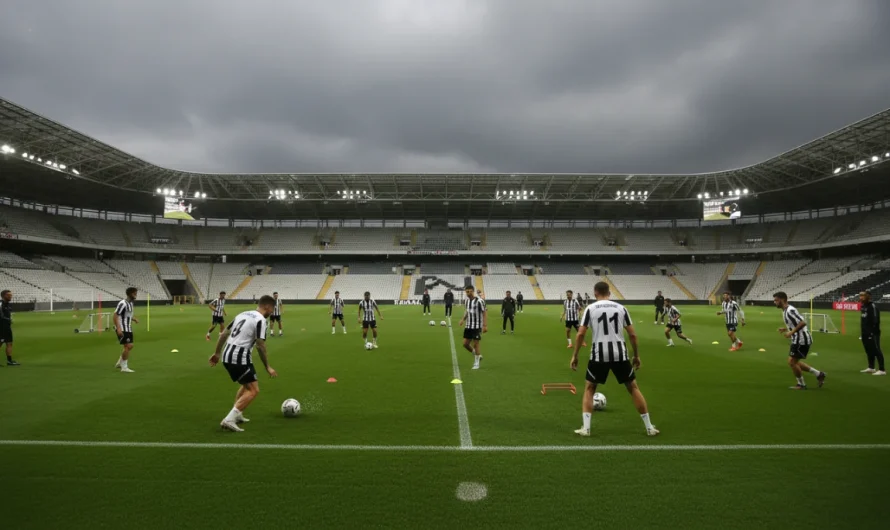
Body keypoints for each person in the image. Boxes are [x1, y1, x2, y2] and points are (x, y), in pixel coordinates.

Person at [570, 281, 659, 437]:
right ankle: (649, 427)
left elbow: (580, 334)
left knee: (590, 388)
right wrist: (636, 355)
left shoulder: (590, 309)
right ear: (609, 293)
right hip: (620, 354)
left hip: (599, 355)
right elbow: (632, 335)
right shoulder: (621, 308)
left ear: (595, 292)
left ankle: (586, 428)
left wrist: (575, 355)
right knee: (633, 388)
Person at [209, 295, 278, 432]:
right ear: (267, 307)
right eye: (272, 309)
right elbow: (260, 345)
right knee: (253, 390)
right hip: (239, 357)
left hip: (227, 355)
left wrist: (217, 353)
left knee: (247, 384)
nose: (272, 312)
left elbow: (224, 334)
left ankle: (238, 414)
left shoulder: (242, 314)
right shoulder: (260, 320)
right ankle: (229, 419)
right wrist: (267, 366)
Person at [774, 291, 826, 390]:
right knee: (794, 361)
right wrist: (785, 329)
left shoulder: (790, 310)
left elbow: (802, 322)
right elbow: (795, 323)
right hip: (798, 339)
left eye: (776, 300)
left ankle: (801, 384)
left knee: (792, 362)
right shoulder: (785, 311)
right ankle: (819, 374)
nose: (774, 302)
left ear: (783, 299)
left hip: (801, 340)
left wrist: (791, 332)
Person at [459, 285, 487, 370]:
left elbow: (484, 312)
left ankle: (476, 363)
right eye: (467, 291)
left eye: (470, 291)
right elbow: (467, 311)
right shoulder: (467, 301)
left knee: (476, 343)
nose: (468, 293)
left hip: (477, 326)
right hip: (468, 326)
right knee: (465, 344)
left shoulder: (480, 301)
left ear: (473, 291)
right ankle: (477, 354)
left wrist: (485, 325)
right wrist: (463, 319)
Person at [113, 287, 139, 373]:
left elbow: (127, 315)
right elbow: (115, 315)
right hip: (122, 328)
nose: (136, 295)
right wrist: (119, 328)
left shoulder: (131, 304)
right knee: (128, 346)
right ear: (130, 293)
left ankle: (120, 363)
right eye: (135, 293)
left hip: (128, 328)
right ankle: (124, 367)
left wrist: (133, 319)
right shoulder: (122, 303)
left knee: (128, 346)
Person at [859, 291, 885, 375]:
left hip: (873, 333)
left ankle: (882, 370)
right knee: (868, 350)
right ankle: (871, 367)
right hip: (864, 333)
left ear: (868, 297)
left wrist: (871, 332)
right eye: (860, 296)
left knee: (876, 350)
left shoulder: (872, 306)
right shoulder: (863, 306)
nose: (861, 297)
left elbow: (875, 320)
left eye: (863, 296)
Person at [0, 289, 19, 366]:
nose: (11, 296)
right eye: (9, 295)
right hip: (1, 328)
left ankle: (9, 361)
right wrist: (8, 319)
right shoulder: (1, 304)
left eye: (11, 295)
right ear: (4, 296)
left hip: (7, 327)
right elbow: (1, 316)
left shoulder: (8, 304)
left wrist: (10, 319)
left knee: (9, 343)